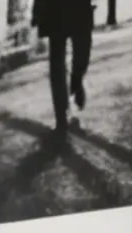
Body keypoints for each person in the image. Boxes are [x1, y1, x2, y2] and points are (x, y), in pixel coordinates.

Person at [32, 0, 94, 135]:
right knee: (56, 62)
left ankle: (76, 80)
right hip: (54, 8)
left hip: (79, 7)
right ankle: (61, 115)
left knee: (83, 51)